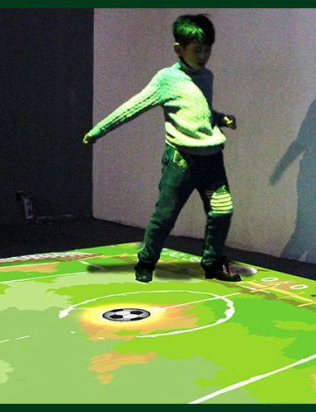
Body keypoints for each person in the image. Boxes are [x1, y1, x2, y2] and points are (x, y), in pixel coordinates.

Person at [83, 14, 240, 283]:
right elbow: (133, 107)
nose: (203, 56)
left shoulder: (206, 77)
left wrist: (220, 118)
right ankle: (146, 260)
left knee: (222, 209)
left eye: (207, 50)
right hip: (181, 161)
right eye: (197, 50)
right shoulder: (167, 79)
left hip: (212, 159)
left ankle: (212, 262)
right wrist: (98, 131)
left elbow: (199, 113)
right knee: (165, 216)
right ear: (179, 49)